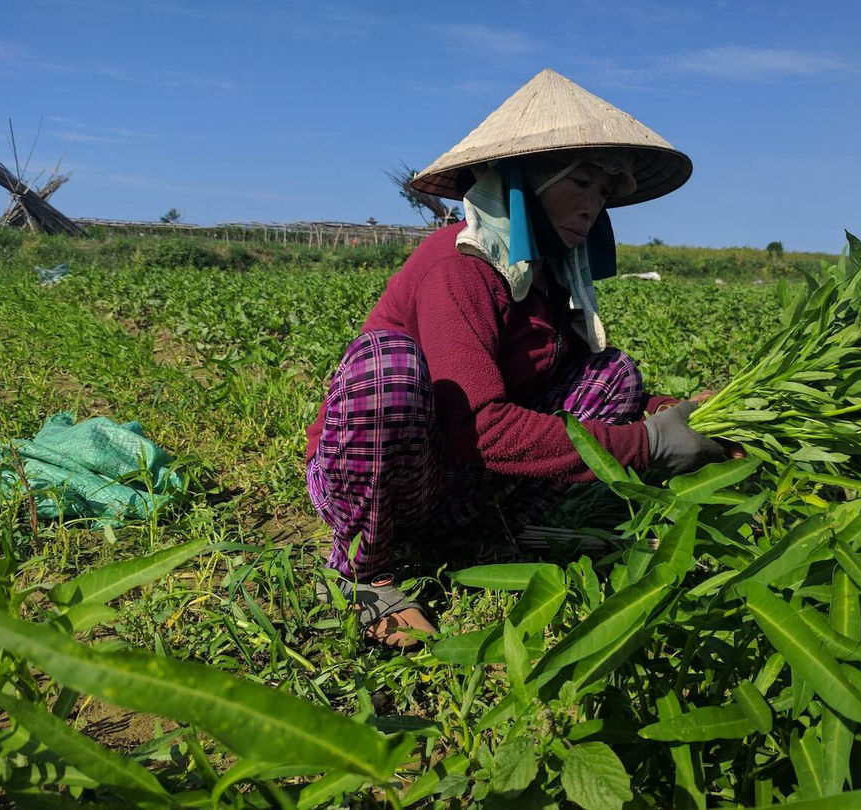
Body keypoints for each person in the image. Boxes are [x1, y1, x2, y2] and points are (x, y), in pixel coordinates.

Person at [306, 69, 735, 648]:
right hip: (388, 469)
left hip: (455, 482)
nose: (592, 207)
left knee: (613, 375)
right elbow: (477, 428)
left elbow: (576, 386)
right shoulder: (459, 267)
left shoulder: (547, 277)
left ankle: (494, 529)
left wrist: (688, 415)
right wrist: (649, 444)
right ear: (523, 185)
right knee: (388, 372)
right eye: (580, 183)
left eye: (602, 194)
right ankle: (365, 569)